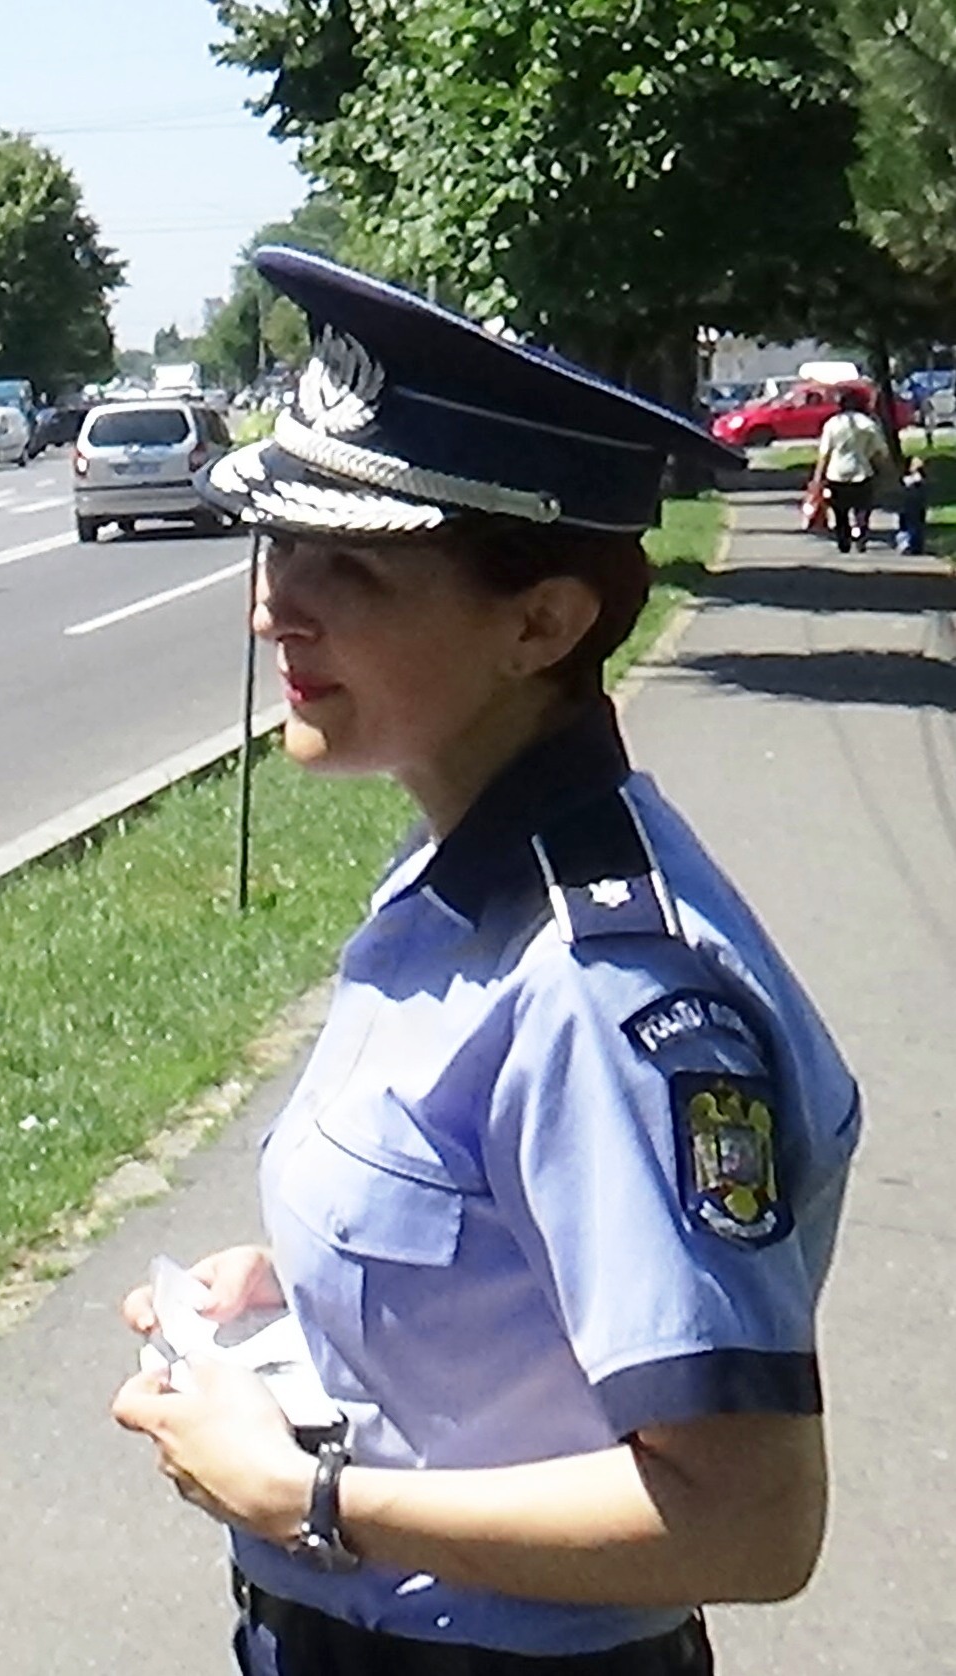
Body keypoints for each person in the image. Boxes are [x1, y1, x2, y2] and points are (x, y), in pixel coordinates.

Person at [110, 248, 861, 1676]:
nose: (275, 607)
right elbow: (508, 1238)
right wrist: (323, 1294)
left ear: (539, 622)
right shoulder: (463, 872)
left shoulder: (605, 986)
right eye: (277, 547)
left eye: (349, 567)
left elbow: (748, 1518)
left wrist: (307, 1495)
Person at [810, 386, 892, 554]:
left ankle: (844, 539)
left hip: (837, 474)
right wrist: (888, 471)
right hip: (862, 472)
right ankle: (860, 533)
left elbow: (824, 454)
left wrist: (817, 478)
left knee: (840, 511)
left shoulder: (832, 424)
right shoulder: (867, 424)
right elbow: (881, 451)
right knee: (862, 508)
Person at [896, 455, 930, 555]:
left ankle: (917, 546)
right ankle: (906, 545)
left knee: (917, 526)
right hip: (906, 506)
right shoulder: (906, 478)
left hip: (918, 506)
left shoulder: (920, 477)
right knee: (907, 526)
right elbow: (905, 483)